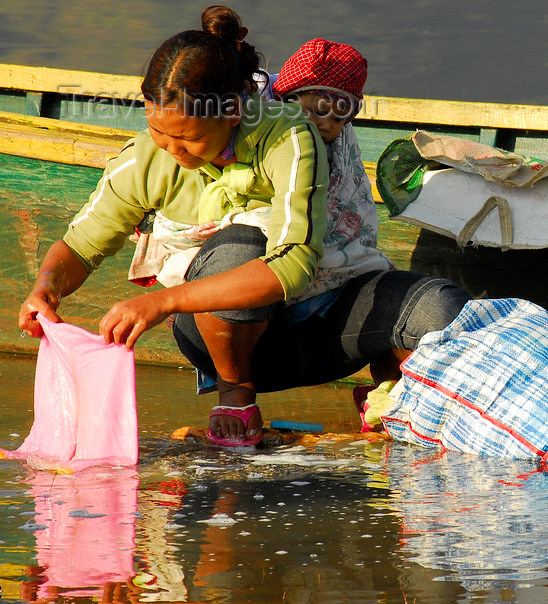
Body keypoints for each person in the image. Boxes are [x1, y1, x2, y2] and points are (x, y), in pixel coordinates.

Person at [18, 7, 471, 448]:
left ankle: (392, 402)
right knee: (239, 245)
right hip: (224, 344)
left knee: (442, 307)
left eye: (190, 138)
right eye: (159, 130)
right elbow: (79, 245)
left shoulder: (289, 137)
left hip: (323, 328)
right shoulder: (144, 159)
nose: (172, 149)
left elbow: (293, 266)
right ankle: (236, 396)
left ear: (234, 110)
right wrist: (47, 289)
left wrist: (161, 301)